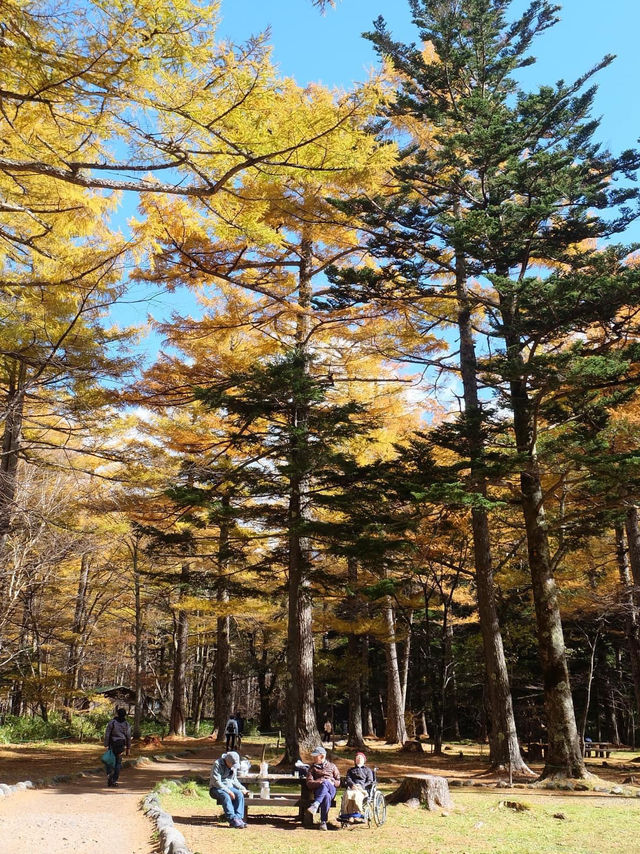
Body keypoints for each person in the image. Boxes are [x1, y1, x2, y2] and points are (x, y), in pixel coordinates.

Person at [209, 750, 249, 829]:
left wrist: (243, 788)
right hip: (216, 788)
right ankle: (232, 819)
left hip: (229, 787)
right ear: (227, 760)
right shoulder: (217, 764)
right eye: (232, 764)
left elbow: (234, 780)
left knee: (239, 794)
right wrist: (229, 791)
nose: (234, 766)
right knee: (225, 796)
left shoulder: (233, 767)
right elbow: (216, 782)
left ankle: (238, 818)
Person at [306, 745, 340, 830]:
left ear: (322, 756)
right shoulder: (312, 768)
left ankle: (316, 804)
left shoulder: (332, 766)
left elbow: (338, 782)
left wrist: (332, 782)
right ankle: (323, 823)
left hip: (331, 789)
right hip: (319, 791)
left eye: (315, 756)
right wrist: (320, 782)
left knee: (326, 783)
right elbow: (309, 783)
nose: (313, 758)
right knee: (326, 796)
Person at [103, 707, 132, 788]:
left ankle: (109, 775)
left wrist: (106, 744)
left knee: (109, 761)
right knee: (118, 763)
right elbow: (128, 737)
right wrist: (128, 748)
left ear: (117, 713)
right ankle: (114, 780)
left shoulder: (112, 722)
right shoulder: (126, 724)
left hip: (112, 744)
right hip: (121, 746)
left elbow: (107, 734)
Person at [341, 752, 374, 817]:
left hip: (362, 788)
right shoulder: (350, 770)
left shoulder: (367, 770)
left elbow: (370, 781)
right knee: (348, 794)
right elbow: (348, 779)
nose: (359, 759)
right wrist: (352, 785)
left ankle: (357, 813)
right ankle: (349, 814)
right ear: (355, 760)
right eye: (357, 758)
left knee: (356, 795)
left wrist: (362, 786)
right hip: (352, 787)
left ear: (364, 760)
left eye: (360, 758)